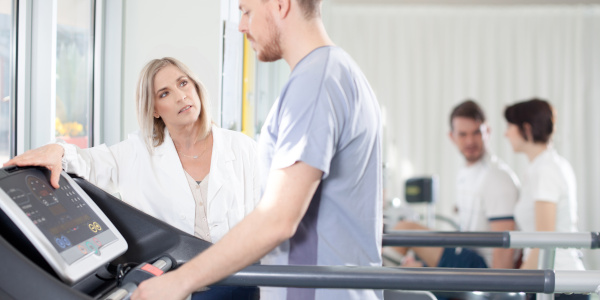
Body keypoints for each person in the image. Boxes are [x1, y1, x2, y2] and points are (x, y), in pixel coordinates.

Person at [132, 0, 383, 299]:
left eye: (247, 11)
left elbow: (277, 219)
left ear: (280, 5)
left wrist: (179, 281)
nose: (241, 26)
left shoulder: (315, 83)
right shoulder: (335, 70)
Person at [3, 57, 261, 298]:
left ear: (196, 87)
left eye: (183, 83)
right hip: (175, 290)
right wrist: (58, 149)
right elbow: (89, 162)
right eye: (165, 93)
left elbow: (270, 219)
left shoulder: (242, 148)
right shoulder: (138, 151)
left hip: (239, 283)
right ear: (155, 110)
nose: (181, 96)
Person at [392, 100, 519, 269]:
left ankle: (371, 284)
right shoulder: (465, 172)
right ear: (451, 136)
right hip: (465, 252)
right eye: (463, 134)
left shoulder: (496, 177)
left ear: (487, 131)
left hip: (482, 266)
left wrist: (496, 293)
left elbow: (504, 249)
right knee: (408, 267)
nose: (470, 141)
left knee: (404, 230)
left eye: (476, 133)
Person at [504, 98, 584, 271]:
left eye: (510, 126)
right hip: (550, 278)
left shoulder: (545, 170)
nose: (506, 133)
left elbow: (543, 243)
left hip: (559, 282)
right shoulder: (542, 166)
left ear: (526, 129)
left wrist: (518, 285)